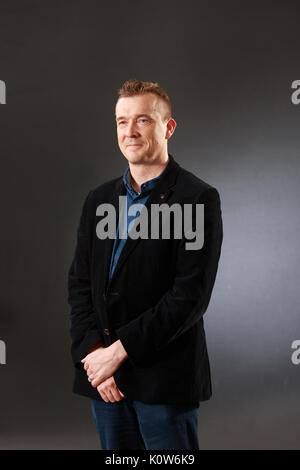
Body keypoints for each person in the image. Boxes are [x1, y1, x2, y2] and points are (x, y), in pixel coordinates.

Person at [67, 79, 223, 450]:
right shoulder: (98, 199)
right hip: (105, 382)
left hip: (164, 383)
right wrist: (94, 357)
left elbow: (189, 297)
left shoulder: (197, 199)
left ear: (168, 127)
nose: (130, 131)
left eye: (143, 120)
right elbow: (80, 284)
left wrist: (116, 354)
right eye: (122, 121)